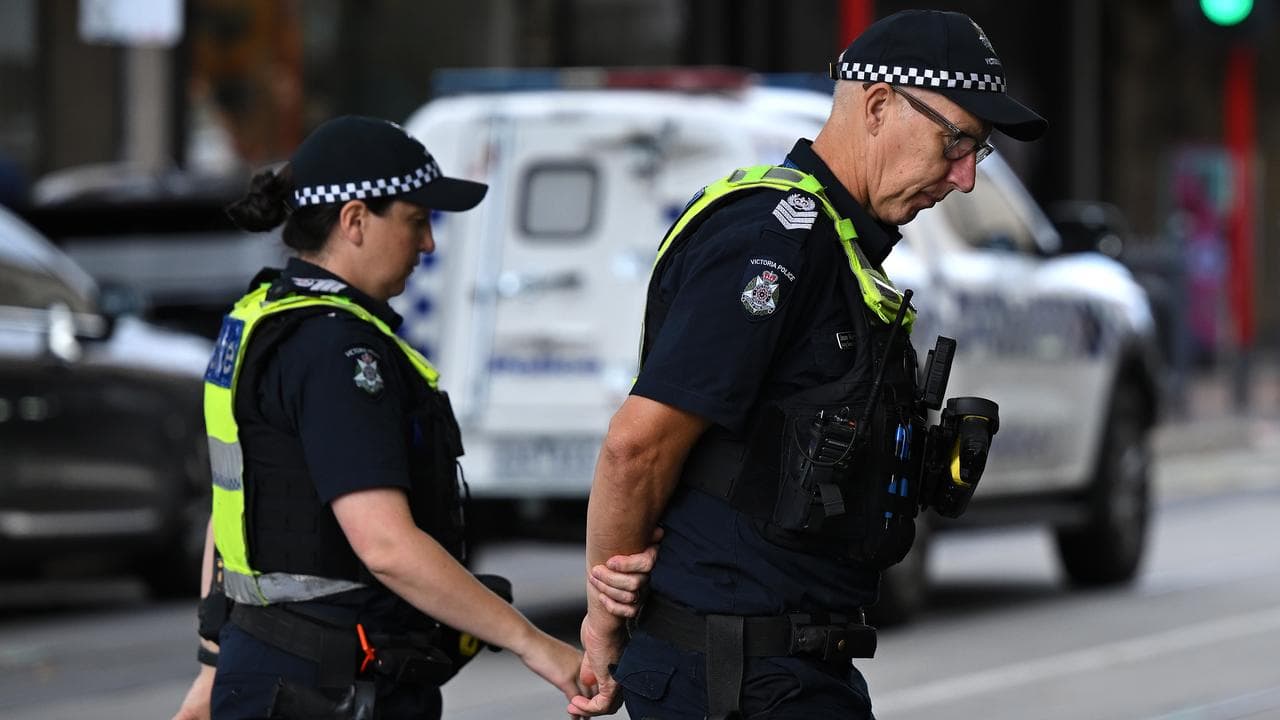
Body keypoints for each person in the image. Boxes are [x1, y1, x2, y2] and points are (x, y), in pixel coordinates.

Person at [571, 9, 1046, 719]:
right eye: (957, 142)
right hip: (736, 676)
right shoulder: (775, 240)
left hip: (787, 670)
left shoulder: (836, 245)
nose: (966, 178)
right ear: (880, 105)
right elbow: (636, 446)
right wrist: (604, 620)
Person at [169, 115, 654, 720]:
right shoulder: (336, 351)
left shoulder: (261, 318)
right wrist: (539, 648)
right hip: (326, 690)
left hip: (273, 669)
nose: (428, 244)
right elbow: (387, 546)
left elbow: (235, 506)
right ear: (354, 221)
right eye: (416, 221)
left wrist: (216, 662)